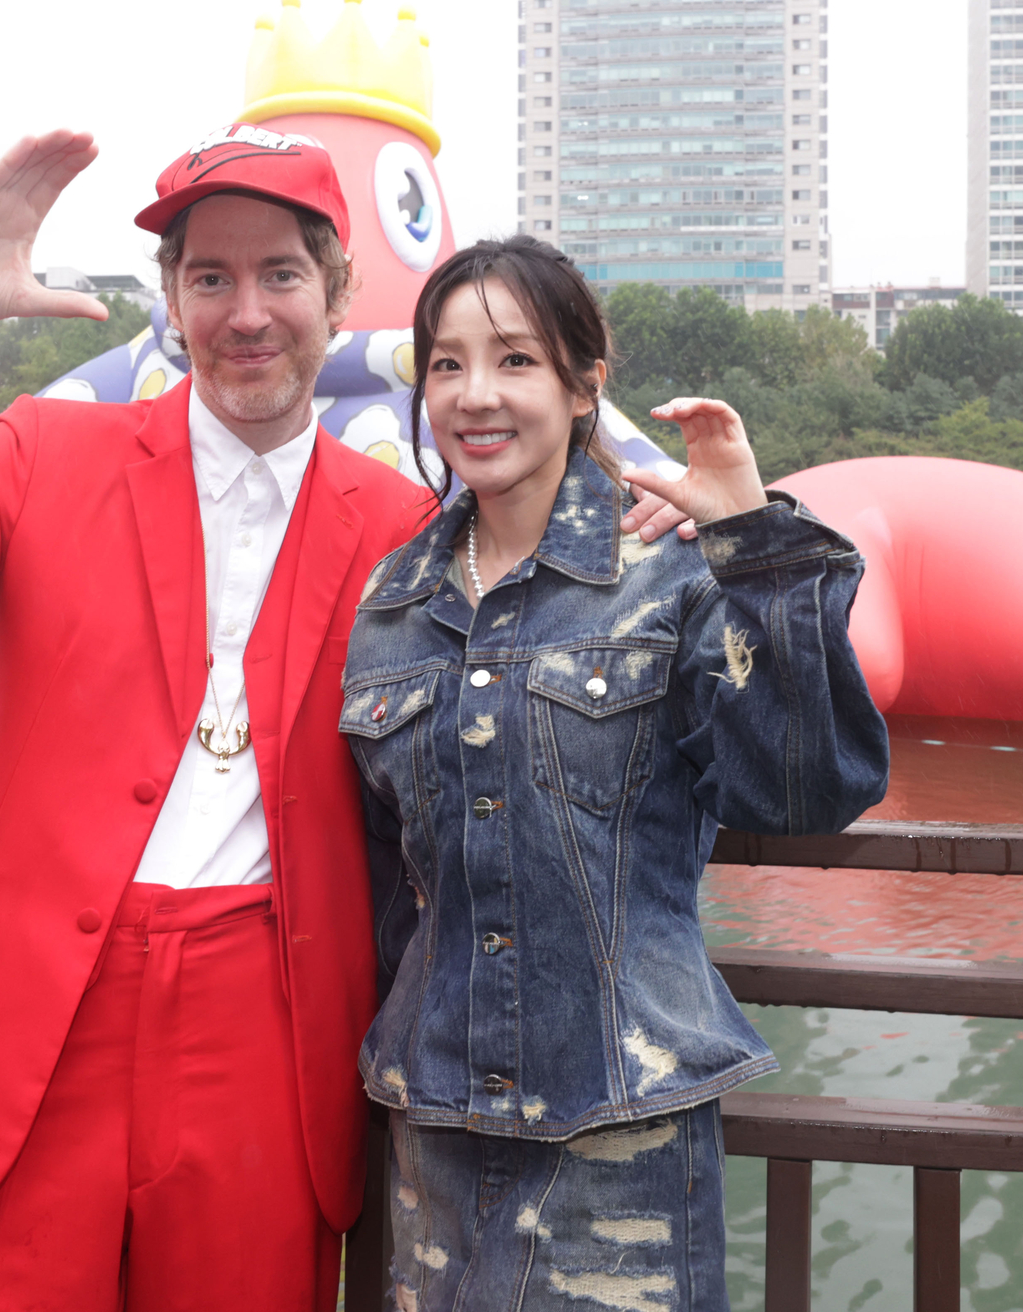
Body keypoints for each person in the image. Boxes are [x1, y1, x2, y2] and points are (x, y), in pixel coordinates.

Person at [0, 129, 694, 1309]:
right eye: (209, 278)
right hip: (26, 1018)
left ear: (336, 293)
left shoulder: (406, 529)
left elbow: (538, 680)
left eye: (280, 276)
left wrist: (690, 533)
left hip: (266, 1020)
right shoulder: (45, 453)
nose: (245, 312)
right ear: (169, 302)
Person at [342, 237, 891, 1310]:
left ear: (584, 382)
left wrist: (751, 540)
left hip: (621, 1127)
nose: (474, 396)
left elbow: (804, 790)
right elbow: (380, 886)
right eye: (446, 365)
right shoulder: (389, 607)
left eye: (513, 361)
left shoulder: (672, 573)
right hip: (434, 1129)